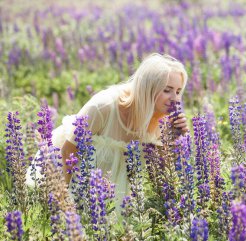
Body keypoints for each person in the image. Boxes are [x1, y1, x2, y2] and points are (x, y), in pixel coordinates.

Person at [28, 53, 189, 211]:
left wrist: (176, 140)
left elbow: (158, 175)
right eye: (167, 90)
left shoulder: (164, 120)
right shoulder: (103, 106)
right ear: (148, 88)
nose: (174, 98)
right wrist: (62, 203)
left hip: (119, 200)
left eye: (178, 91)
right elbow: (68, 152)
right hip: (74, 185)